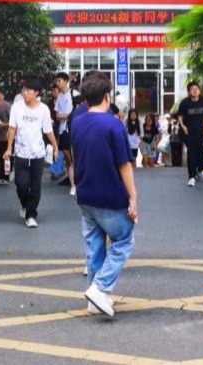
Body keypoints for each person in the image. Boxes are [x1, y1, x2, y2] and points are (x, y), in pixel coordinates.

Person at [72, 72, 138, 318]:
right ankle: (100, 288)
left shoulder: (77, 122)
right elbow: (125, 165)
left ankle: (94, 299)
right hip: (110, 195)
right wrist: (133, 198)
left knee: (94, 246)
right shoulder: (113, 124)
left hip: (85, 194)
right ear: (107, 97)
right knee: (123, 240)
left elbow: (76, 155)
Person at [4, 77, 59, 229]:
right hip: (21, 152)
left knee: (35, 186)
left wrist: (55, 147)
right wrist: (9, 148)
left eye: (28, 90)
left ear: (36, 93)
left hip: (37, 153)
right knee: (21, 185)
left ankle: (31, 215)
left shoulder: (44, 109)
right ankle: (25, 204)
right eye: (24, 90)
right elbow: (12, 128)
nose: (25, 93)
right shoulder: (17, 107)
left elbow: (48, 130)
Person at [176, 82, 203, 187]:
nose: (195, 91)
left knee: (202, 152)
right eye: (192, 89)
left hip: (201, 132)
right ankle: (191, 177)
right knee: (192, 154)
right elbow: (180, 117)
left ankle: (200, 170)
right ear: (189, 92)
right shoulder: (185, 103)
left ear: (199, 91)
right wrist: (183, 127)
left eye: (197, 89)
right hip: (188, 133)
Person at [54, 72, 75, 195]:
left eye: (59, 81)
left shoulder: (74, 94)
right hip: (62, 129)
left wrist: (65, 116)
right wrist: (66, 116)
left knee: (73, 157)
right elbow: (57, 116)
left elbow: (75, 113)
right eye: (56, 81)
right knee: (67, 157)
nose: (57, 83)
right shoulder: (59, 97)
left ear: (66, 81)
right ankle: (70, 178)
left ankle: (75, 182)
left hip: (72, 129)